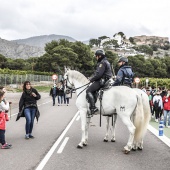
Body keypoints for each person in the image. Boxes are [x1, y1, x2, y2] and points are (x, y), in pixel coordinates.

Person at [86, 49, 112, 115]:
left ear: (99, 56)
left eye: (96, 56)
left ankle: (93, 107)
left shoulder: (102, 63)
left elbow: (98, 74)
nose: (96, 57)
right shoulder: (106, 61)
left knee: (88, 90)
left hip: (102, 80)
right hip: (107, 79)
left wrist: (91, 79)